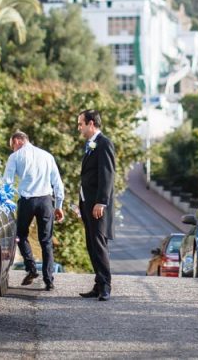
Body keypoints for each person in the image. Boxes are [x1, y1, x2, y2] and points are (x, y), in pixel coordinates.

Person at [2, 130, 65, 291]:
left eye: (12, 146)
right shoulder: (47, 156)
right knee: (46, 241)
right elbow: (57, 182)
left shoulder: (15, 157)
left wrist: (5, 203)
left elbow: (7, 183)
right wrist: (59, 205)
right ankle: (49, 279)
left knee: (21, 235)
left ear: (17, 141)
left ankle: (31, 268)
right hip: (45, 201)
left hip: (27, 201)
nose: (12, 149)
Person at [76, 109, 115, 301]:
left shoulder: (104, 143)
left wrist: (101, 201)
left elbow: (107, 175)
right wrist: (80, 202)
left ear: (91, 124)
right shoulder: (90, 145)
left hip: (98, 205)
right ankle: (98, 284)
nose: (79, 128)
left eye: (80, 124)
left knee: (99, 245)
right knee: (91, 245)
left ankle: (106, 286)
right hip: (87, 202)